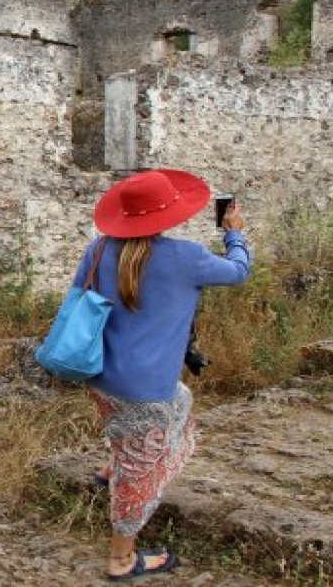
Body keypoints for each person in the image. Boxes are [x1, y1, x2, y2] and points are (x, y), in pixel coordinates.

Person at [71, 169, 251, 582]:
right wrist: (234, 233)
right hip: (145, 388)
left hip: (99, 374)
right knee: (141, 475)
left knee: (180, 400)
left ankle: (116, 464)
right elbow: (239, 271)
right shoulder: (186, 257)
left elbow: (79, 296)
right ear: (170, 213)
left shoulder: (99, 250)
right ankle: (121, 558)